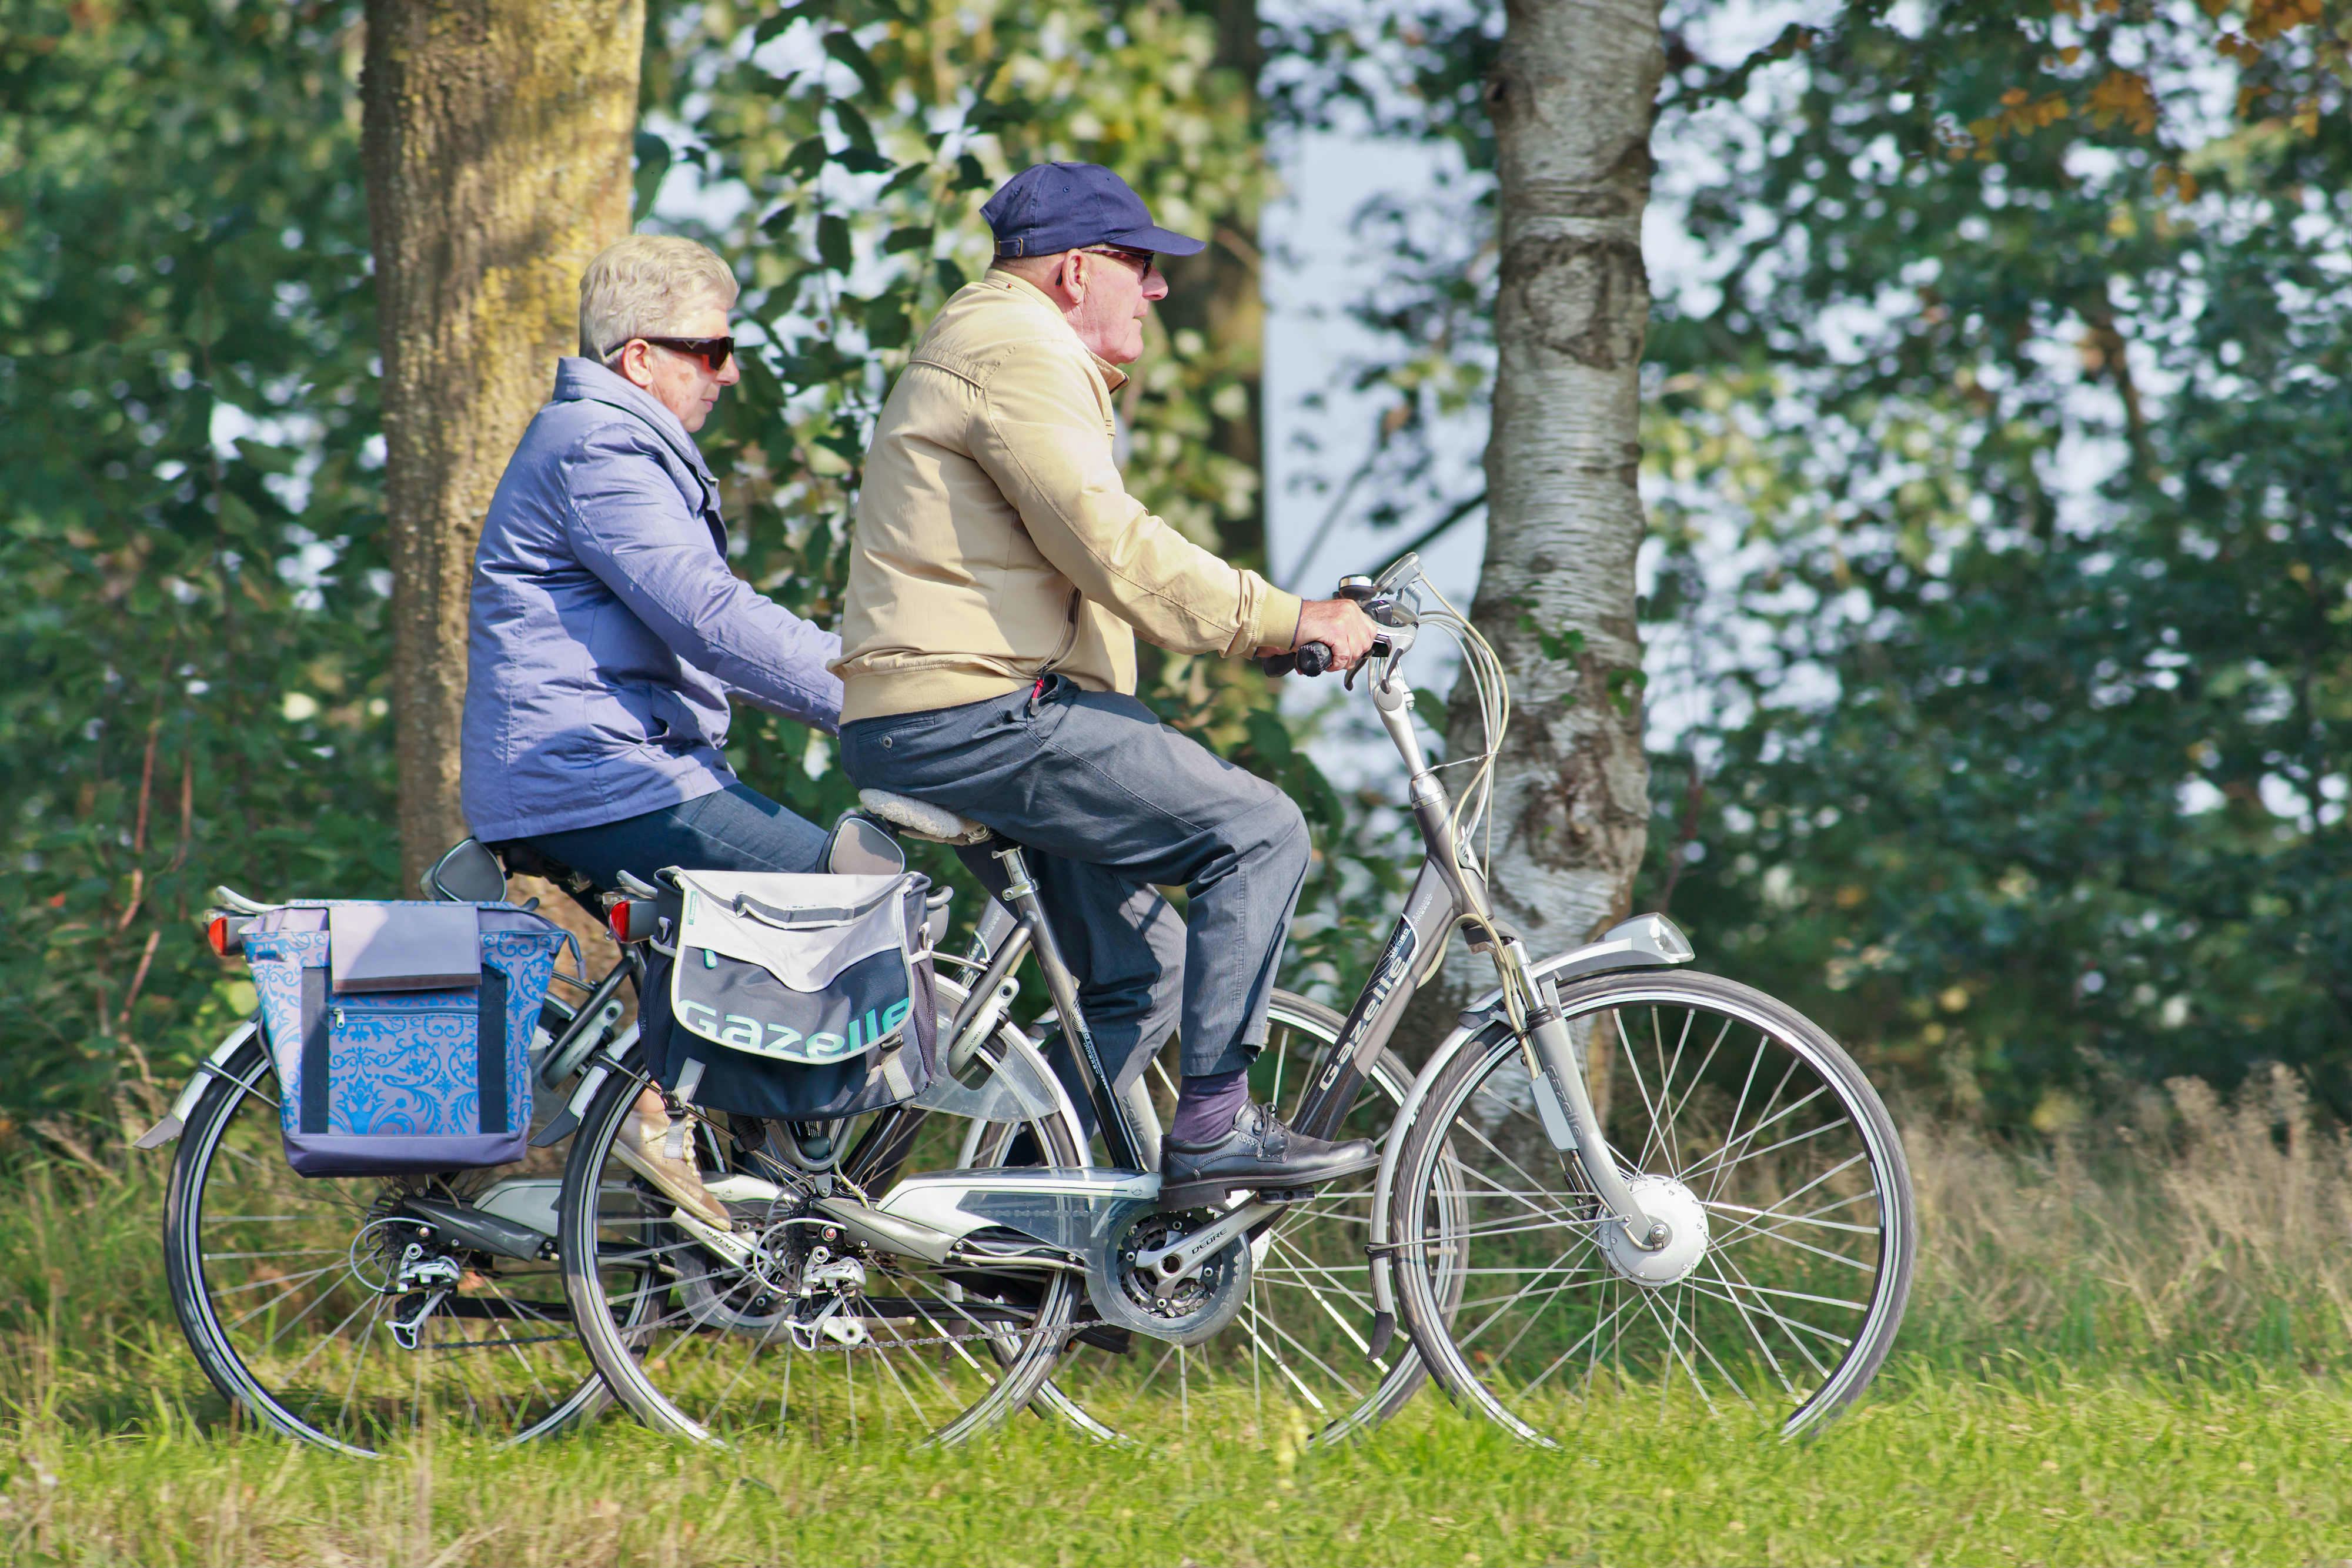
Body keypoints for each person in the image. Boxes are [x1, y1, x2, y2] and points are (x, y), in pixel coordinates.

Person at [836, 162, 1381, 1199]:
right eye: (1141, 264)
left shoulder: (993, 343)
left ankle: (1034, 1229)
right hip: (979, 716)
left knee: (1151, 969)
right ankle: (1215, 1129)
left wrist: (1263, 635)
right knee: (1259, 831)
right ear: (1078, 271)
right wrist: (1285, 616)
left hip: (948, 714)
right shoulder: (1018, 350)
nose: (1159, 288)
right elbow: (1109, 543)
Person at [461, 233, 843, 1223]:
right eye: (712, 350)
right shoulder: (601, 449)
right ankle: (667, 1116)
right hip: (591, 774)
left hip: (607, 767)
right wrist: (875, 691)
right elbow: (709, 617)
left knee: (758, 933)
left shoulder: (608, 445)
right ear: (640, 357)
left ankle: (733, 1197)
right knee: (831, 884)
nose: (729, 371)